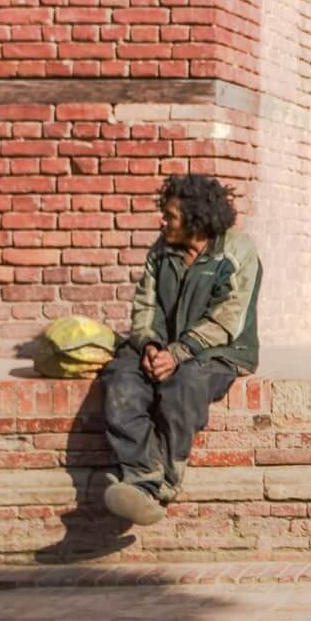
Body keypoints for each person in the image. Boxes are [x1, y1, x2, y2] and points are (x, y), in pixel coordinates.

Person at [99, 173, 262, 526]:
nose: (163, 221)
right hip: (165, 347)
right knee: (121, 379)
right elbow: (145, 307)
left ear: (195, 219)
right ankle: (143, 476)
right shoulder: (161, 251)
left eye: (170, 215)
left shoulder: (237, 252)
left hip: (219, 351)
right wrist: (151, 345)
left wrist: (178, 354)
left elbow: (227, 320)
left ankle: (167, 482)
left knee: (184, 384)